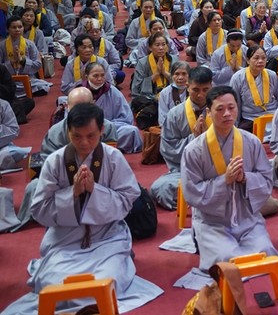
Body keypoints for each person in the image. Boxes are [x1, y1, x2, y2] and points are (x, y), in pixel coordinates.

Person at [2, 104, 163, 315]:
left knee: (107, 281)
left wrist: (95, 191)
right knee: (54, 285)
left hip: (106, 238)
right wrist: (72, 193)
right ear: (68, 131)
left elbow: (127, 200)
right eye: (77, 136)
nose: (84, 142)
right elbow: (40, 210)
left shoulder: (113, 158)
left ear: (101, 130)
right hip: (64, 242)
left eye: (91, 136)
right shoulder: (54, 162)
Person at [181, 86, 278, 271]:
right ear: (209, 112)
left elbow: (266, 179)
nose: (227, 114)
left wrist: (245, 178)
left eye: (231, 108)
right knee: (228, 260)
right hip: (212, 222)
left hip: (247, 217)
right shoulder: (194, 150)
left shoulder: (251, 142)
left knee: (265, 254)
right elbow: (191, 192)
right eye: (220, 109)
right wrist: (224, 180)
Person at [150, 66, 214, 210]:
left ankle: (196, 196)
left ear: (212, 87)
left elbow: (231, 141)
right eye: (196, 90)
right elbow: (168, 148)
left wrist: (211, 137)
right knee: (160, 188)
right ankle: (211, 195)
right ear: (187, 86)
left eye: (206, 90)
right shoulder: (175, 114)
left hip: (217, 167)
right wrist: (194, 138)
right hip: (185, 169)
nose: (201, 95)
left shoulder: (220, 109)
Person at [82, 60, 142, 153]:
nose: (100, 79)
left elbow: (126, 118)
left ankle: (99, 146)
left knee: (131, 131)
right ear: (86, 76)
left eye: (102, 75)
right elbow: (72, 119)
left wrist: (107, 127)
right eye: (95, 76)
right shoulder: (80, 92)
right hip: (85, 132)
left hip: (111, 130)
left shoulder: (112, 91)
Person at [229, 44, 278, 131]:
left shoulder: (271, 75)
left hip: (272, 115)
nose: (260, 61)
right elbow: (235, 104)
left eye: (263, 58)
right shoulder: (238, 78)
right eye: (256, 58)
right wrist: (234, 126)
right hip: (250, 118)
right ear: (248, 60)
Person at [157, 60, 191, 125]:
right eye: (177, 74)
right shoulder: (164, 93)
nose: (180, 77)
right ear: (172, 76)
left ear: (189, 75)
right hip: (171, 127)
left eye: (184, 74)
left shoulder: (194, 90)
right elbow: (162, 117)